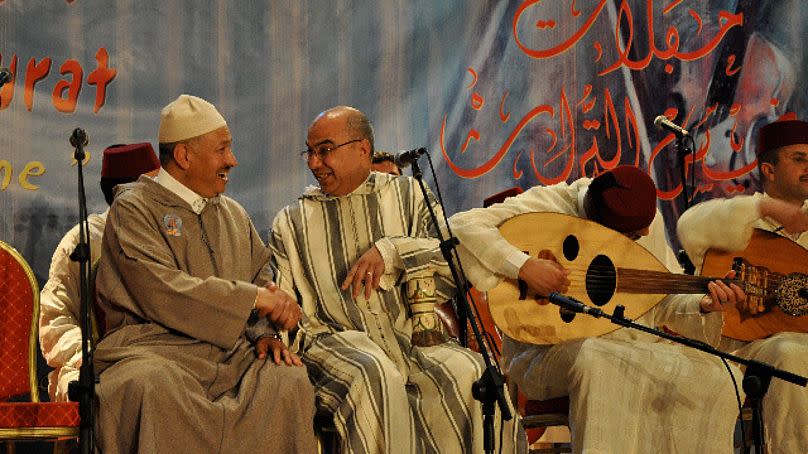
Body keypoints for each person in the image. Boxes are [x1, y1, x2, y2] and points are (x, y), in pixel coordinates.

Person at [268, 106, 525, 453]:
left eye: (324, 150)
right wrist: (274, 336)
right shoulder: (292, 222)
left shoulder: (408, 196)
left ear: (362, 149)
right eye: (310, 153)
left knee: (472, 372)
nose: (314, 163)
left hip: (412, 337)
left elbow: (451, 262)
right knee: (375, 375)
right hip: (336, 341)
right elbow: (284, 302)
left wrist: (394, 251)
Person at [449, 166, 746, 453]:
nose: (644, 235)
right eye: (632, 237)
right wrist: (524, 266)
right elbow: (462, 226)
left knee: (718, 374)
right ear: (601, 226)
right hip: (546, 353)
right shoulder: (550, 205)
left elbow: (664, 299)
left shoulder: (642, 220)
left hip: (635, 347)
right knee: (602, 359)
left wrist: (705, 305)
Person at [93, 94, 316, 453]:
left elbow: (261, 278)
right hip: (153, 350)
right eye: (223, 149)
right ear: (184, 156)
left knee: (286, 380)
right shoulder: (133, 209)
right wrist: (254, 299)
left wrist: (264, 333)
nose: (233, 160)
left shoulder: (232, 213)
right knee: (151, 384)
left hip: (233, 355)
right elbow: (160, 289)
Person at [678, 117, 808, 453]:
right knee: (789, 352)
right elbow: (688, 226)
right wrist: (767, 207)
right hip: (748, 347)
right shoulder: (745, 220)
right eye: (798, 159)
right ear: (769, 170)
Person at [39, 142, 160, 402]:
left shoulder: (171, 236)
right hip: (94, 364)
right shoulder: (85, 240)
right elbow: (55, 318)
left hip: (160, 362)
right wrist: (93, 356)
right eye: (154, 186)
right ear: (127, 193)